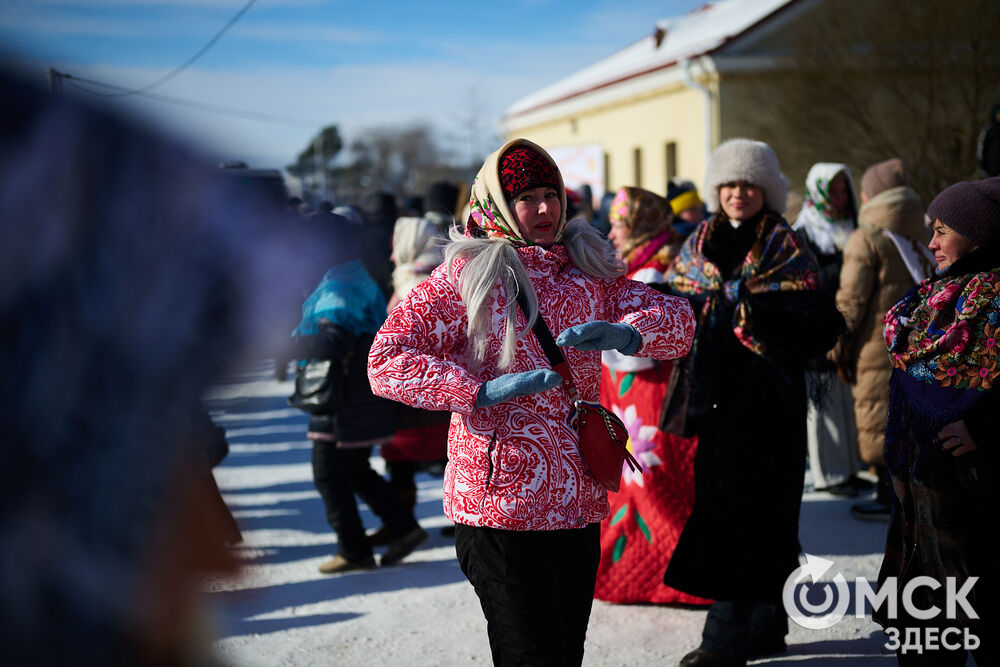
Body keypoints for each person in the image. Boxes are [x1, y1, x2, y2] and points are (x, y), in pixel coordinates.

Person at [368, 138, 695, 666]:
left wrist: (628, 335)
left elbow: (679, 324)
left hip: (579, 501)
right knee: (531, 657)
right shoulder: (462, 279)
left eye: (552, 193)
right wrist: (475, 391)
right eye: (527, 197)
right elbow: (387, 360)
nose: (544, 209)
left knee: (565, 653)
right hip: (499, 509)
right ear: (497, 202)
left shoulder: (587, 268)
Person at [659, 138, 843, 667]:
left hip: (769, 399)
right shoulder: (697, 243)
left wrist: (760, 317)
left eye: (749, 184)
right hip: (713, 394)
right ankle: (766, 622)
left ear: (767, 190)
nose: (738, 193)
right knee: (734, 507)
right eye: (729, 184)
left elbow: (818, 320)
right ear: (717, 189)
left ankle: (725, 637)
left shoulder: (787, 245)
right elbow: (675, 302)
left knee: (757, 510)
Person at [876, 177, 1000, 665]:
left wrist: (986, 432)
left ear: (979, 234)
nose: (930, 243)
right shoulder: (934, 297)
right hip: (920, 493)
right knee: (926, 630)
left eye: (943, 230)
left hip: (977, 492)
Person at [595, 186, 710, 606]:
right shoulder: (645, 262)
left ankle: (664, 574)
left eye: (620, 224)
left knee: (649, 482)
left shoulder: (653, 273)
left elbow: (640, 354)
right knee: (639, 481)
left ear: (642, 226)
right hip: (634, 396)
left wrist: (598, 335)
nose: (612, 232)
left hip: (646, 394)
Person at [290, 257, 427, 574]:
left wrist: (291, 342)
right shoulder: (354, 280)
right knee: (354, 470)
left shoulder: (338, 291)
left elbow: (333, 343)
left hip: (343, 400)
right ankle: (404, 528)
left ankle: (354, 550)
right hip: (356, 398)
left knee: (328, 477)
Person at [834, 158, 935, 521]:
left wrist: (837, 347)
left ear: (871, 196)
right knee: (914, 415)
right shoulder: (926, 232)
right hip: (924, 343)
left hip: (876, 345)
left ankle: (887, 495)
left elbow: (851, 303)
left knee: (880, 414)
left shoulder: (866, 238)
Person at [367, 215, 451, 545]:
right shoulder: (438, 272)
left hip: (416, 387)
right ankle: (454, 520)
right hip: (437, 387)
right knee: (443, 456)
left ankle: (403, 523)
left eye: (395, 245)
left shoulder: (412, 283)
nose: (391, 254)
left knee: (402, 459)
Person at [794, 162, 865, 496]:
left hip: (847, 328)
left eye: (842, 190)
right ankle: (829, 474)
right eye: (831, 191)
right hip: (816, 329)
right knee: (822, 405)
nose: (838, 198)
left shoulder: (853, 227)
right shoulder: (805, 233)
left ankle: (848, 468)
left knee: (844, 402)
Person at [977, 103, 1000, 177]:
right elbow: (981, 147)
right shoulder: (988, 129)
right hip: (992, 168)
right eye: (998, 113)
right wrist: (982, 167)